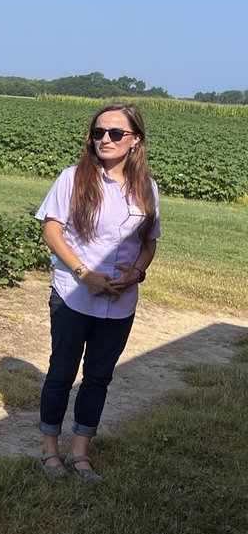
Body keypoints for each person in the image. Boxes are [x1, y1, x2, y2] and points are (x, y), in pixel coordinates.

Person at [34, 103, 160, 483]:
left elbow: (149, 242)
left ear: (135, 141)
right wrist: (83, 273)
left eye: (115, 133)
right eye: (98, 132)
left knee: (98, 377)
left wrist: (137, 273)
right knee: (62, 370)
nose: (105, 139)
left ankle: (80, 452)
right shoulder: (72, 178)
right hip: (74, 293)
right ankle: (49, 450)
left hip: (120, 302)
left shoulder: (147, 188)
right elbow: (51, 232)